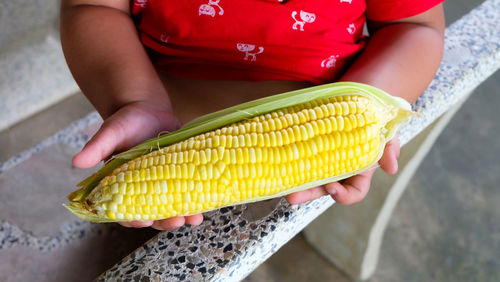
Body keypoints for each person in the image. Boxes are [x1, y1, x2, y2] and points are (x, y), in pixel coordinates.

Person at [60, 0, 445, 230]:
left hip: (316, 158)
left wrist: (366, 108)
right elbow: (94, 6)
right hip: (156, 132)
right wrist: (133, 99)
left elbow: (412, 25)